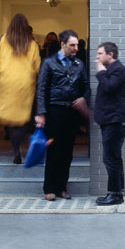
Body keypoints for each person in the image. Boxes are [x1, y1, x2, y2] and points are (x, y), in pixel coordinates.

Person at [35, 29, 89, 201]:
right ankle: (49, 187)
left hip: (72, 112)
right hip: (54, 111)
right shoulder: (49, 62)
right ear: (62, 44)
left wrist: (83, 98)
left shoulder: (79, 64)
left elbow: (86, 87)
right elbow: (41, 88)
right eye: (72, 45)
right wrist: (41, 113)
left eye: (77, 45)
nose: (75, 48)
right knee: (54, 150)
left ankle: (62, 187)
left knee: (67, 152)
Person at [0, 14, 42, 164]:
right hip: (25, 84)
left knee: (9, 118)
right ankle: (19, 143)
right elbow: (38, 67)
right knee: (22, 118)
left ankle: (16, 149)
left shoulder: (0, 41)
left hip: (5, 83)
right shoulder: (32, 44)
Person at [94, 41, 125, 206]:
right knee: (114, 157)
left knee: (110, 158)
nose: (97, 57)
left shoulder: (118, 69)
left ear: (111, 55)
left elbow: (109, 87)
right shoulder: (112, 69)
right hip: (110, 120)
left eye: (100, 53)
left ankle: (115, 194)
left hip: (115, 121)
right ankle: (117, 192)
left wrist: (101, 72)